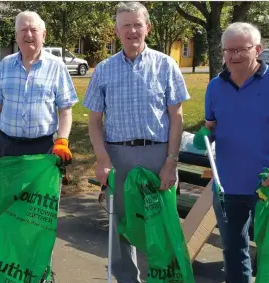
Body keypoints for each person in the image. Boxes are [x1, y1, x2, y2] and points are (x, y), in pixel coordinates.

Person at [83, 2, 190, 282]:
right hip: (118, 157)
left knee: (157, 224)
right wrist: (102, 158)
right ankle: (127, 279)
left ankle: (158, 277)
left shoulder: (166, 65)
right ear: (117, 31)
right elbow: (94, 121)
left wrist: (171, 162)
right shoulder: (103, 70)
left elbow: (176, 117)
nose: (132, 30)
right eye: (126, 25)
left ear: (148, 28)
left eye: (137, 24)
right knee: (121, 224)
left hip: (158, 157)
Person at [198, 22, 269, 283]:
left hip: (267, 184)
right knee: (233, 251)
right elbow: (211, 127)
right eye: (227, 51)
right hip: (227, 186)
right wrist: (204, 136)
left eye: (240, 50)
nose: (232, 57)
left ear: (257, 49)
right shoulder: (215, 87)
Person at [0, 11, 77, 181]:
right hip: (8, 147)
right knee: (11, 201)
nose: (29, 35)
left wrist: (62, 140)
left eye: (34, 29)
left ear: (44, 35)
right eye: (23, 30)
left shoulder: (57, 66)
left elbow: (65, 110)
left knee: (40, 204)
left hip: (44, 149)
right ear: (16, 36)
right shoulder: (5, 65)